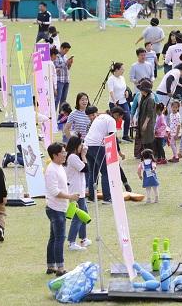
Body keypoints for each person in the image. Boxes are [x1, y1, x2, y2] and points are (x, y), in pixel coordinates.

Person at [45, 143, 79, 276]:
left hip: (59, 207)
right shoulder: (51, 170)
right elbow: (54, 191)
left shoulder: (59, 167)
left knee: (54, 238)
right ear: (55, 155)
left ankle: (51, 266)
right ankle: (60, 268)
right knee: (59, 238)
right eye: (62, 153)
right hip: (55, 208)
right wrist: (70, 196)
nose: (65, 155)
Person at [84, 108, 131, 204]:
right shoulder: (111, 120)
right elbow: (112, 138)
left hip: (87, 145)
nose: (120, 120)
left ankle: (91, 197)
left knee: (93, 172)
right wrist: (118, 153)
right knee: (105, 172)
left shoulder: (100, 117)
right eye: (120, 117)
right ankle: (107, 198)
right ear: (116, 114)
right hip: (98, 146)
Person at [65, 136, 91, 251]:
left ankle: (83, 238)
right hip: (75, 192)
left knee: (83, 213)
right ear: (76, 146)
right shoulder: (72, 157)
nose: (82, 147)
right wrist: (84, 156)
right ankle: (71, 242)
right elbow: (85, 168)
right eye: (80, 145)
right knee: (78, 217)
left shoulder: (74, 157)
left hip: (78, 190)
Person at [107, 63, 132, 142]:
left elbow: (125, 87)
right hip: (115, 103)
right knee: (115, 119)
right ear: (117, 70)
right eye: (122, 69)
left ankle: (125, 135)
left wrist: (126, 91)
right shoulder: (111, 79)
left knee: (127, 117)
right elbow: (111, 91)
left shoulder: (122, 78)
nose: (123, 70)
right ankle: (115, 137)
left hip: (123, 101)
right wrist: (114, 100)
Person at [137, 79, 157, 152]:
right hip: (143, 120)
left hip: (148, 123)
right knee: (145, 139)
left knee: (149, 139)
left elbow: (150, 113)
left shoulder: (150, 99)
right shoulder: (144, 97)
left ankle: (151, 155)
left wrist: (145, 123)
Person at [54, 42, 73, 110]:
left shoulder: (65, 56)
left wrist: (70, 63)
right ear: (61, 48)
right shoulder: (56, 56)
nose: (66, 52)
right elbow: (56, 68)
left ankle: (61, 115)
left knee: (63, 100)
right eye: (65, 50)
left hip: (66, 80)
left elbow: (68, 68)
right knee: (57, 99)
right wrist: (65, 63)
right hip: (59, 80)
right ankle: (53, 114)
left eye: (67, 51)